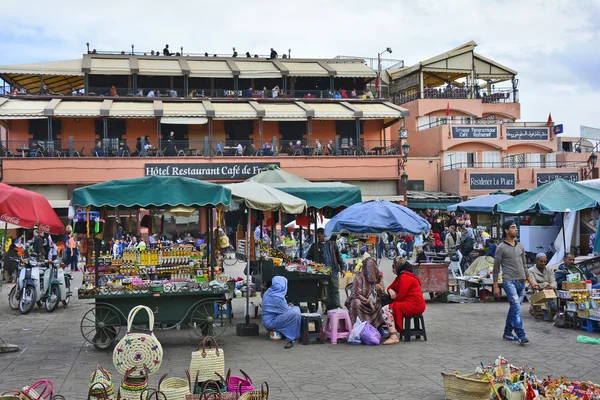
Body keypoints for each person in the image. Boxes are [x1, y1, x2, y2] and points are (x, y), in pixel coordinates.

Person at [493, 220, 539, 344]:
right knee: (517, 307)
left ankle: (507, 332)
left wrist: (531, 281)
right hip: (509, 282)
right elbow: (496, 268)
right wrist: (496, 286)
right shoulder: (500, 248)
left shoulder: (520, 246)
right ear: (506, 230)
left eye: (516, 227)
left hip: (521, 282)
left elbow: (524, 265)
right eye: (513, 227)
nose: (516, 229)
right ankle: (521, 334)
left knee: (514, 307)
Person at [381, 257, 426, 345]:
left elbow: (401, 296)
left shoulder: (405, 277)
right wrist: (391, 290)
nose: (393, 269)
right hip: (411, 303)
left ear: (398, 267)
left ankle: (393, 335)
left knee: (385, 309)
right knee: (390, 307)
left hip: (415, 305)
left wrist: (392, 304)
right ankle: (392, 331)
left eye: (394, 267)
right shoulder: (402, 275)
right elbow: (391, 286)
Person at [307, 228, 346, 310]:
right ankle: (328, 308)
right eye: (317, 236)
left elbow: (339, 257)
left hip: (333, 271)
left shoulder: (332, 244)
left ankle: (337, 307)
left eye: (319, 236)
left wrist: (343, 268)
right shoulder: (314, 246)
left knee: (335, 289)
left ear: (324, 235)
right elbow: (308, 259)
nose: (318, 238)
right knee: (325, 291)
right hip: (321, 273)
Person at [261, 276, 300, 349]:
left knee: (295, 309)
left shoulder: (269, 292)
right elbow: (285, 311)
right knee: (295, 313)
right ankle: (294, 335)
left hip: (269, 320)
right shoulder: (277, 297)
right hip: (271, 322)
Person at [345, 258, 385, 327]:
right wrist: (368, 302)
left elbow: (383, 293)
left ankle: (377, 326)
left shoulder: (378, 277)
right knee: (355, 303)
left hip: (374, 303)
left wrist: (380, 289)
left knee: (383, 303)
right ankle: (359, 327)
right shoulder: (359, 278)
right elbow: (356, 294)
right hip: (362, 302)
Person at [528, 253, 557, 319]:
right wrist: (544, 287)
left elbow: (553, 281)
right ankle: (546, 310)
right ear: (536, 261)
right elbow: (533, 283)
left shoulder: (549, 270)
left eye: (545, 262)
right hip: (536, 290)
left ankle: (550, 309)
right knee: (542, 288)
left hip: (549, 290)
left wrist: (552, 286)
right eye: (541, 261)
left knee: (550, 289)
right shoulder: (531, 270)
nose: (543, 263)